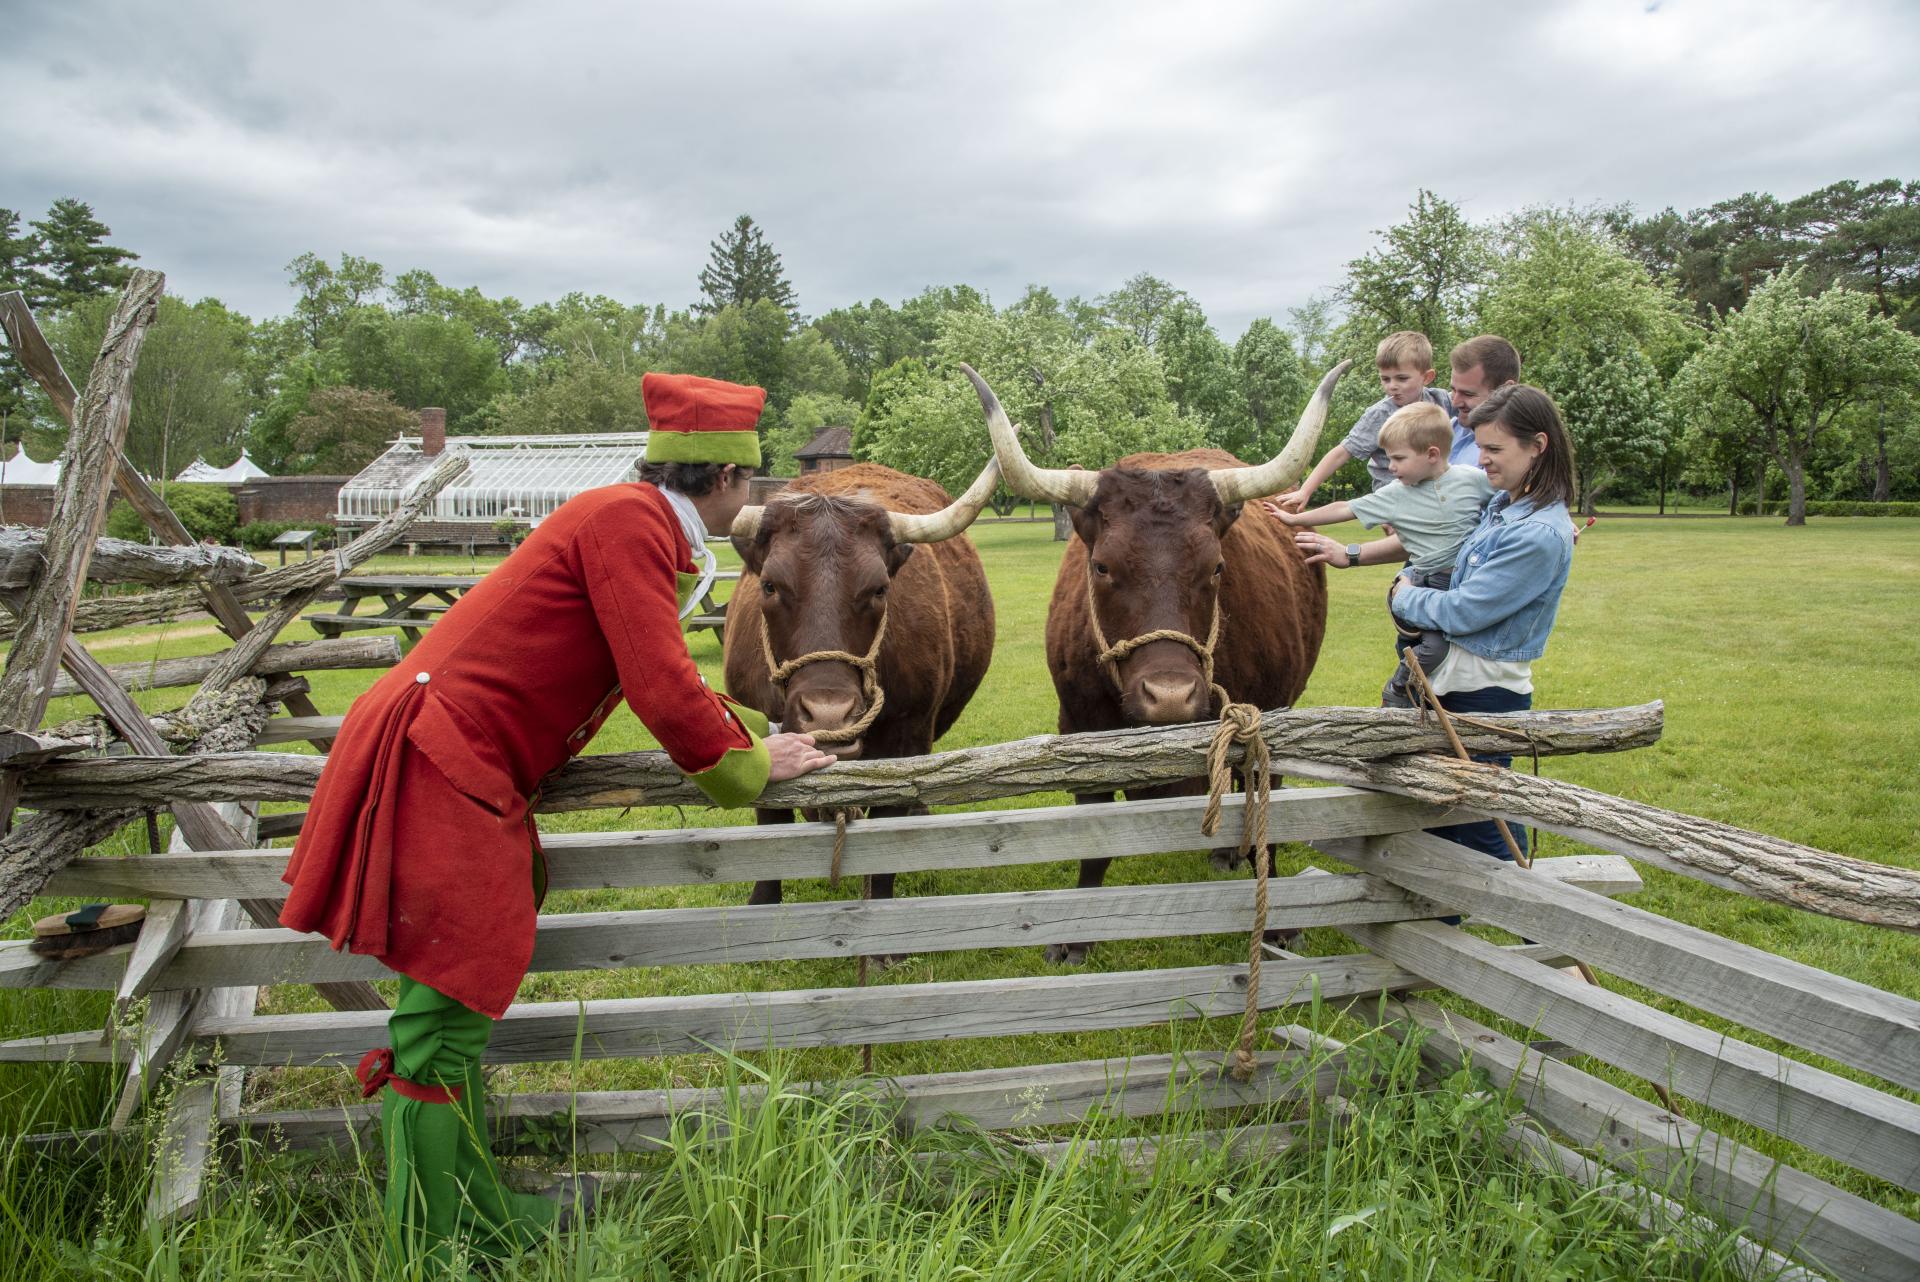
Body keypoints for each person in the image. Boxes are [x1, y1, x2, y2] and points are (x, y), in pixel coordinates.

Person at [278, 372, 837, 1271]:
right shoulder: (630, 524)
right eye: (754, 476)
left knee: (446, 1011)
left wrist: (743, 734)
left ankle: (474, 1206)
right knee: (437, 1017)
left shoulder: (633, 518)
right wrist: (750, 767)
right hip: (444, 758)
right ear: (731, 477)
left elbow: (654, 670)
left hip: (452, 754)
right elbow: (660, 683)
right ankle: (425, 1241)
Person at [1386, 383, 1578, 862]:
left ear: (1538, 446)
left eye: (1494, 449)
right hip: (1459, 679)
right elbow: (1446, 562)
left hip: (1484, 688)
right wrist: (1416, 574)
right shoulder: (1503, 506)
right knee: (1446, 810)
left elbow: (1464, 611)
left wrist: (1405, 595)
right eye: (1481, 446)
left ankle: (1524, 910)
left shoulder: (1535, 533)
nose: (1482, 459)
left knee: (1482, 818)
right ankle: (1443, 917)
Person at [1264, 401, 1493, 706]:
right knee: (1435, 649)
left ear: (1432, 454)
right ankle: (1399, 690)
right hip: (1424, 582)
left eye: (1398, 458)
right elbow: (1345, 508)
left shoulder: (1472, 479)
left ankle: (1432, 702)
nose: (1391, 467)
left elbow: (1507, 501)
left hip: (1464, 581)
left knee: (1466, 648)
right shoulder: (1397, 494)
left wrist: (1554, 517)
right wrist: (1295, 519)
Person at [1274, 330, 1452, 511]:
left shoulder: (1441, 400)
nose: (1392, 386)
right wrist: (1305, 490)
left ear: (1427, 377)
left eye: (1402, 378)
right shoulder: (1380, 414)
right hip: (1395, 494)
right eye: (1385, 379)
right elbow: (1342, 452)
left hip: (1435, 488)